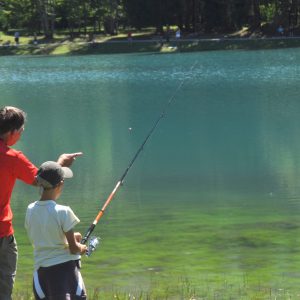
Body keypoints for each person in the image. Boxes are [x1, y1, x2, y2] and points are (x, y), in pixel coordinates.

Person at [0, 106, 82, 300]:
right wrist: (60, 163)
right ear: (11, 132)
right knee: (3, 287)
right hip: (2, 233)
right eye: (20, 132)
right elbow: (43, 181)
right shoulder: (11, 158)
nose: (20, 136)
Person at [25, 161, 87, 299]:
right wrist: (83, 247)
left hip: (41, 276)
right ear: (61, 184)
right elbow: (73, 248)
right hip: (66, 274)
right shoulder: (63, 212)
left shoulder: (30, 210)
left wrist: (66, 238)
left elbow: (45, 237)